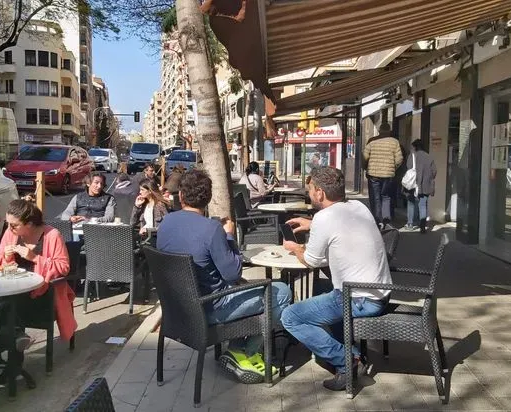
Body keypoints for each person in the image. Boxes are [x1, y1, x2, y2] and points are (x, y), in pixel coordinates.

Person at [156, 169, 291, 383]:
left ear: (180, 196)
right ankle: (243, 350)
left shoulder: (165, 224)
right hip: (210, 309)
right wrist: (228, 234)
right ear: (208, 198)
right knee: (282, 292)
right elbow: (232, 273)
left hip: (178, 309)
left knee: (250, 287)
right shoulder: (211, 229)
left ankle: (238, 348)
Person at [280, 167, 391, 391]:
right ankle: (353, 354)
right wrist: (311, 224)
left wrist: (294, 247)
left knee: (290, 316)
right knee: (323, 288)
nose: (309, 194)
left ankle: (347, 361)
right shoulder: (359, 206)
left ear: (320, 193)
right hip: (380, 292)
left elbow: (311, 260)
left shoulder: (324, 217)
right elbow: (341, 226)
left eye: (310, 190)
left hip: (358, 299)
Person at [0, 199, 76, 346]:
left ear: (30, 224)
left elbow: (63, 267)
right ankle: (12, 341)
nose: (9, 228)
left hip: (43, 292)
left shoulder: (52, 235)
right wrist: (7, 257)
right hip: (13, 288)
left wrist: (34, 257)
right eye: (8, 224)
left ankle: (12, 345)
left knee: (7, 307)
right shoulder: (10, 233)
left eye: (14, 225)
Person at [363, 123, 403, 228]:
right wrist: (393, 167)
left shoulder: (371, 141)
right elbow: (399, 159)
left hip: (373, 174)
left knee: (375, 197)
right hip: (388, 175)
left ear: (379, 131)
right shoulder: (395, 142)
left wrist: (365, 168)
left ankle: (377, 219)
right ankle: (386, 218)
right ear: (389, 131)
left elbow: (365, 157)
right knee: (386, 196)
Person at [404, 139, 437, 233]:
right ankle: (422, 225)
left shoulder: (412, 156)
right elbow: (434, 171)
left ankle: (410, 224)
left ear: (415, 147)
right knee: (423, 205)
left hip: (413, 184)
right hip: (426, 185)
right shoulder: (429, 157)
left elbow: (408, 167)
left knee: (411, 203)